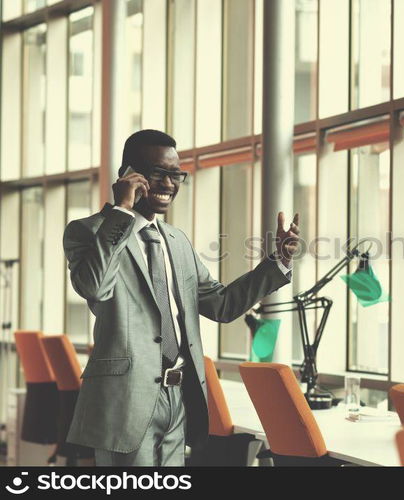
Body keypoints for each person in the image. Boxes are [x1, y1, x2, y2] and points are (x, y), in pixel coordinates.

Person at [63, 129, 300, 466]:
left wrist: (277, 263)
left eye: (176, 175)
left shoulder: (176, 240)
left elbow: (221, 304)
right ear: (127, 176)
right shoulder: (88, 231)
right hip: (126, 400)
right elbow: (95, 288)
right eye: (159, 173)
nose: (169, 184)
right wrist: (122, 211)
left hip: (180, 398)